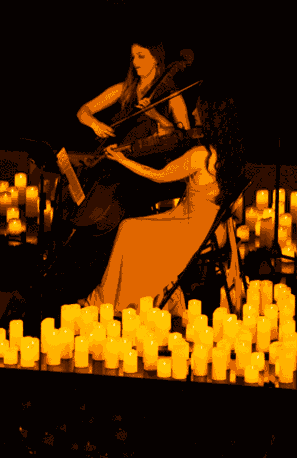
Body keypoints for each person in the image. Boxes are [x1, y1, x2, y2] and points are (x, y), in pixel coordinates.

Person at [46, 43, 192, 305]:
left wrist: (157, 116)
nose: (135, 62)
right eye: (132, 57)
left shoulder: (173, 96)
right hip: (115, 162)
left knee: (117, 204)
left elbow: (183, 136)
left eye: (141, 56)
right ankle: (76, 274)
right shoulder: (124, 90)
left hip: (147, 171)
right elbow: (83, 111)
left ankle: (109, 281)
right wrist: (95, 124)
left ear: (157, 58)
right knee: (80, 195)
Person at [82, 91, 245, 312]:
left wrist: (122, 159)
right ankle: (110, 298)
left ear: (210, 117)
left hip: (186, 230)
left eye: (199, 109)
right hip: (207, 229)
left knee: (128, 230)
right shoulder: (229, 155)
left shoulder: (200, 155)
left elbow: (158, 175)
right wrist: (159, 118)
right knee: (130, 230)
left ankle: (105, 300)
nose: (194, 112)